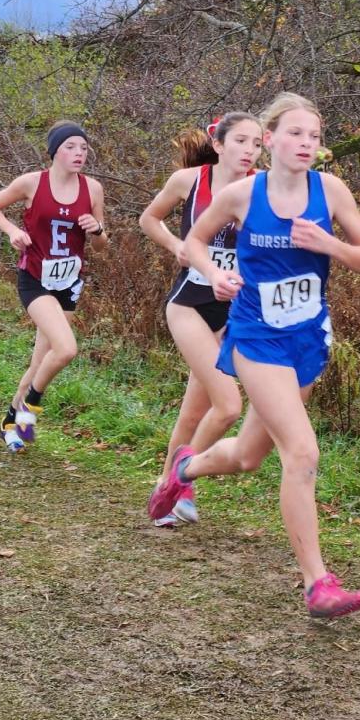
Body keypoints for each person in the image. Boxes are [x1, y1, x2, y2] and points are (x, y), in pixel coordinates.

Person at [148, 93, 360, 619]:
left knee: (249, 457)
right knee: (302, 453)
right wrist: (216, 275)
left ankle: (186, 467)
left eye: (315, 137)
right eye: (295, 134)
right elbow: (196, 243)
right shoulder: (243, 194)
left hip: (306, 339)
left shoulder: (332, 191)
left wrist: (331, 246)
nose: (306, 144)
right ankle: (317, 583)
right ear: (270, 140)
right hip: (255, 338)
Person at [139, 112, 263, 526]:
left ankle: (165, 492)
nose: (249, 151)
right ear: (219, 144)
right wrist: (178, 244)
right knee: (228, 406)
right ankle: (183, 480)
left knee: (194, 414)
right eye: (241, 142)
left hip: (232, 312)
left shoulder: (261, 188)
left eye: (257, 144)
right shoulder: (190, 181)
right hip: (189, 304)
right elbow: (148, 219)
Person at [0, 121, 107, 451]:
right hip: (35, 279)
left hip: (68, 283)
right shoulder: (31, 183)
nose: (79, 152)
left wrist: (97, 230)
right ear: (54, 151)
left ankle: (10, 422)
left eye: (83, 147)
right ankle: (29, 411)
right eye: (70, 147)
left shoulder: (92, 189)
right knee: (65, 349)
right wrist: (12, 231)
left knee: (41, 362)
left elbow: (103, 244)